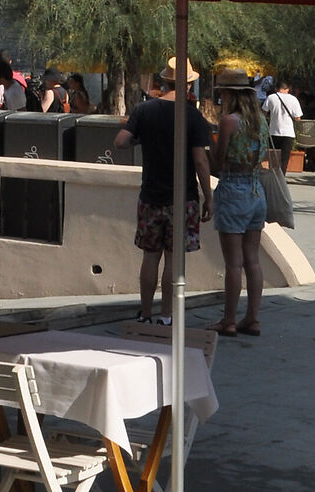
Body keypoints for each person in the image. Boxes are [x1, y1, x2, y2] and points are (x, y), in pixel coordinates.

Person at [112, 57, 213, 328]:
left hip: (150, 196)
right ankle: (166, 315)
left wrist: (140, 136)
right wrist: (208, 197)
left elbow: (121, 141)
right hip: (183, 198)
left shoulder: (144, 110)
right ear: (189, 84)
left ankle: (145, 311)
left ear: (165, 81)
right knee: (173, 257)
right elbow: (201, 161)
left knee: (150, 256)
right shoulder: (193, 116)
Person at [210, 85, 270, 336]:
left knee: (233, 264)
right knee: (253, 260)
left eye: (223, 92)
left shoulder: (229, 121)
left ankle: (229, 320)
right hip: (256, 190)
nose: (220, 97)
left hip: (233, 190)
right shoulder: (261, 122)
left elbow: (219, 159)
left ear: (231, 95)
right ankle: (253, 318)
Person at [264, 81, 303, 173]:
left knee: (273, 158)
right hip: (288, 133)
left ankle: (273, 177)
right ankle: (281, 178)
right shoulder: (293, 99)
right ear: (287, 89)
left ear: (277, 88)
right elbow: (298, 118)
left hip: (273, 132)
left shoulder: (271, 98)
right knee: (284, 160)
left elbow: (263, 113)